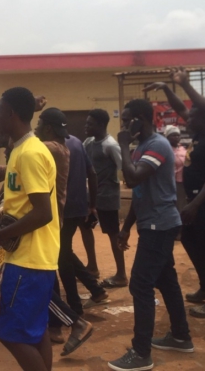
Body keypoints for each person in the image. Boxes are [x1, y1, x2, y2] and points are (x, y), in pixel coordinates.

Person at [0, 86, 59, 371]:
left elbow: (43, 213)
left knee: (10, 333)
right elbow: (21, 205)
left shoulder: (30, 154)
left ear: (11, 113)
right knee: (36, 331)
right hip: (32, 258)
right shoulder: (20, 150)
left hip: (29, 260)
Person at [107, 99, 192, 371]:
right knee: (166, 281)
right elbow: (138, 192)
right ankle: (181, 336)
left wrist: (122, 144)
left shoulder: (157, 145)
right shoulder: (142, 148)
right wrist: (126, 227)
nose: (124, 126)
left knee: (141, 285)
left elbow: (132, 178)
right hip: (152, 224)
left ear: (141, 119)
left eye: (127, 120)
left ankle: (141, 353)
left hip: (159, 225)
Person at [145, 78, 205, 318]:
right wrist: (166, 89)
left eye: (192, 117)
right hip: (198, 202)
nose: (187, 119)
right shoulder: (201, 135)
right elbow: (182, 108)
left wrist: (194, 204)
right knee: (189, 239)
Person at [35, 108, 107, 310]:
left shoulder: (47, 148)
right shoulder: (76, 142)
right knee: (64, 251)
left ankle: (75, 306)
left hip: (61, 209)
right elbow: (92, 173)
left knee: (61, 257)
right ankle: (95, 290)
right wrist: (91, 205)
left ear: (48, 128)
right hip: (78, 206)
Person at [84, 109, 128, 287]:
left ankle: (121, 274)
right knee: (85, 226)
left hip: (108, 196)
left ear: (101, 125)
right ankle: (92, 267)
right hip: (92, 195)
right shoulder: (88, 142)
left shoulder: (110, 145)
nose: (86, 126)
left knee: (113, 233)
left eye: (90, 124)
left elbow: (123, 166)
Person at [164, 125, 187, 213]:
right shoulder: (165, 149)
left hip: (183, 181)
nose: (176, 137)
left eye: (178, 135)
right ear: (167, 137)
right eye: (173, 135)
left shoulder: (182, 148)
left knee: (182, 203)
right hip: (170, 181)